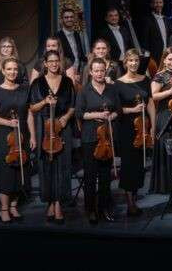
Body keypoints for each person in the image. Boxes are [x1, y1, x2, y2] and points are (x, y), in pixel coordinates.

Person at [29, 50, 76, 223]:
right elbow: (32, 108)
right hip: (44, 127)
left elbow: (73, 105)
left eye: (57, 61)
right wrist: (44, 102)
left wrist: (65, 117)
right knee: (46, 166)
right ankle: (50, 201)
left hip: (63, 127)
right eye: (51, 61)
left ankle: (58, 205)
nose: (54, 64)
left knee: (62, 167)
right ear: (45, 63)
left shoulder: (68, 81)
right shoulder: (38, 83)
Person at [0, 57, 35, 222]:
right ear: (3, 71)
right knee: (6, 173)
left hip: (22, 135)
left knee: (20, 172)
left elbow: (29, 114)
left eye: (15, 69)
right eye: (9, 69)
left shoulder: (24, 89)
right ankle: (4, 209)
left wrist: (33, 135)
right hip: (3, 136)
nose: (13, 72)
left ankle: (14, 206)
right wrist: (7, 121)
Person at [75, 57, 120, 224]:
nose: (100, 73)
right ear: (91, 72)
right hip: (90, 138)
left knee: (105, 175)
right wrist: (98, 115)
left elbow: (118, 110)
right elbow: (79, 114)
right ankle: (90, 210)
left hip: (107, 138)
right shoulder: (84, 91)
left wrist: (110, 116)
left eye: (102, 70)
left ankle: (104, 208)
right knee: (90, 175)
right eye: (97, 71)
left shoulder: (111, 90)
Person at [116, 49, 155, 217]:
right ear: (125, 63)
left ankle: (134, 197)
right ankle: (130, 202)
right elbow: (116, 109)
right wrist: (132, 110)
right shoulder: (118, 83)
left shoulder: (145, 80)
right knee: (128, 165)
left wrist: (153, 126)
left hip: (143, 128)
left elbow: (150, 103)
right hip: (126, 128)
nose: (133, 63)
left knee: (139, 165)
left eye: (136, 61)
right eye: (130, 61)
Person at [149, 47, 172, 195]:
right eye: (170, 59)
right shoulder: (159, 76)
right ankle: (165, 184)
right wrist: (170, 91)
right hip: (164, 115)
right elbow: (153, 96)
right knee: (166, 149)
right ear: (164, 60)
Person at [56, 6, 88, 74]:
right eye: (66, 17)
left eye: (71, 17)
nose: (69, 19)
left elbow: (81, 56)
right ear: (62, 20)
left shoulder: (77, 35)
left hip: (78, 73)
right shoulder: (57, 36)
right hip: (64, 73)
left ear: (74, 19)